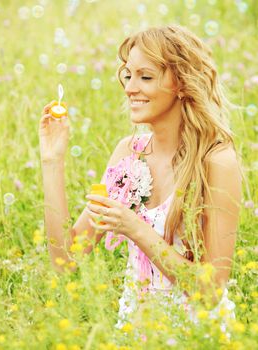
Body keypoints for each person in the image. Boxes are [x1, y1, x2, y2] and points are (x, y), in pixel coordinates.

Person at [38, 24, 242, 337]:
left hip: (199, 336)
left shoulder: (215, 161)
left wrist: (134, 227)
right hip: (136, 334)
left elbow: (211, 290)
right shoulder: (128, 153)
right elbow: (65, 259)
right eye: (128, 75)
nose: (131, 87)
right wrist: (52, 161)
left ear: (182, 84)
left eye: (145, 77)